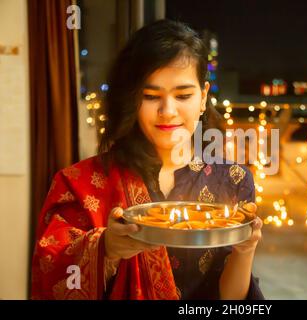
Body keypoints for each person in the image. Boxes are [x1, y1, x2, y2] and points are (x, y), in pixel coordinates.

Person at [31, 19, 264, 300]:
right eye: (151, 96)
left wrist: (246, 249)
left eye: (183, 95)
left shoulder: (233, 179)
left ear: (203, 98)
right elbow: (51, 273)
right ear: (132, 100)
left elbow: (232, 300)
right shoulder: (81, 183)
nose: (167, 111)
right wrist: (107, 248)